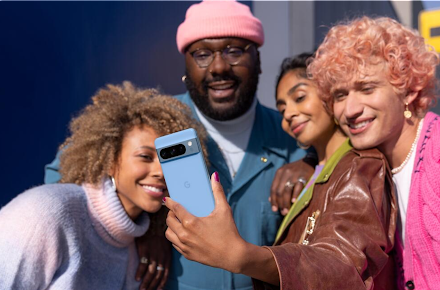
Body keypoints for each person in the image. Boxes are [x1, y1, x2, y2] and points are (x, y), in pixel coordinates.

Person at [43, 1, 314, 289]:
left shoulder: (295, 137)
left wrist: (312, 164)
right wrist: (143, 226)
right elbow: (62, 181)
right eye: (202, 54)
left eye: (235, 51)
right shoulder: (152, 125)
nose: (219, 67)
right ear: (186, 64)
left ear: (258, 60)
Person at [163, 52, 398, 290]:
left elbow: (342, 264)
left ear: (330, 92)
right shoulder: (316, 168)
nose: (289, 113)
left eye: (300, 97)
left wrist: (242, 256)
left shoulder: (360, 166)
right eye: (282, 107)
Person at [308, 16, 440, 289]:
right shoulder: (367, 171)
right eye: (339, 95)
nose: (350, 110)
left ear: (407, 88)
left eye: (367, 88)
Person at [0, 81, 205, 290]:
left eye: (167, 160)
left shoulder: (135, 245)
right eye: (145, 157)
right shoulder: (43, 214)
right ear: (109, 161)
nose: (160, 172)